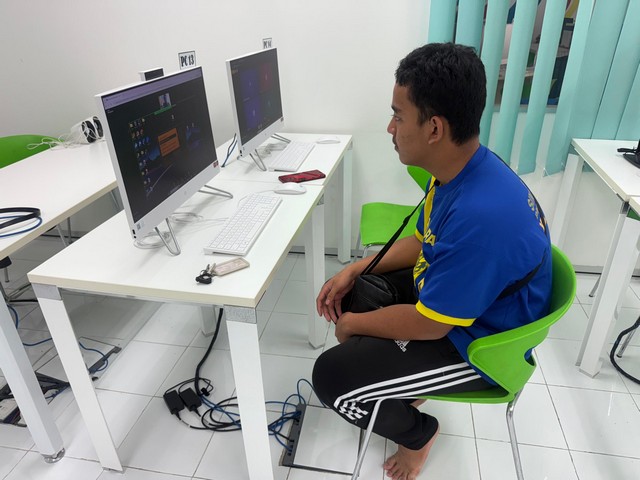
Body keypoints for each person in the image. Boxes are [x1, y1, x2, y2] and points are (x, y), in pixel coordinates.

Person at [312, 43, 552, 480]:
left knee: (332, 380)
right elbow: (423, 241)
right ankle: (402, 385)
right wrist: (355, 269)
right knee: (358, 292)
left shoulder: (482, 217)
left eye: (398, 116)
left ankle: (418, 435)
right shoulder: (461, 170)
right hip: (463, 304)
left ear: (434, 128)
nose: (390, 128)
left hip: (482, 344)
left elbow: (431, 324)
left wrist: (353, 325)